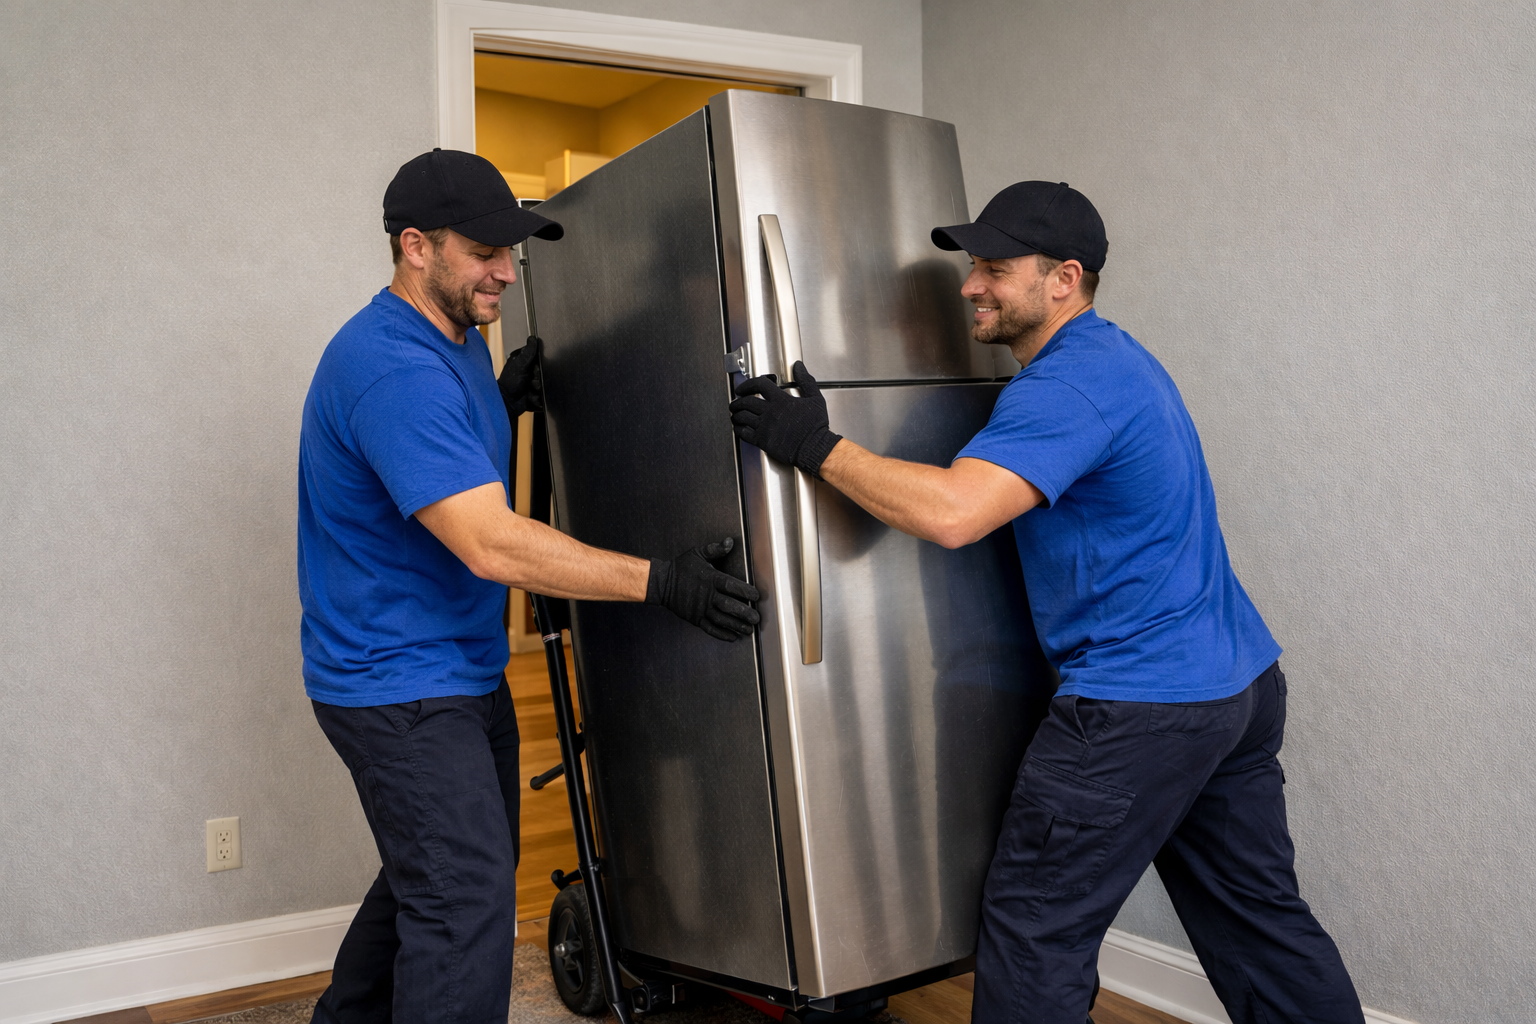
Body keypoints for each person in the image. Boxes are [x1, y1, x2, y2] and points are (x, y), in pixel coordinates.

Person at [726, 181, 1363, 1024]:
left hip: (1138, 705)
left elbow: (955, 514)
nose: (969, 285)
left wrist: (813, 444)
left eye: (993, 266)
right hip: (1233, 685)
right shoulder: (1117, 358)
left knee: (1036, 931)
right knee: (1260, 927)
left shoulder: (1064, 387)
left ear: (1064, 278)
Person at [298, 148, 760, 1024]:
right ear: (414, 247)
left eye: (510, 251)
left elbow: (432, 467)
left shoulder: (457, 340)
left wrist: (501, 403)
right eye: (484, 253)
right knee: (463, 906)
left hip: (456, 669)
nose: (506, 272)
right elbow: (488, 543)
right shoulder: (388, 366)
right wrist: (662, 583)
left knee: (431, 878)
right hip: (396, 684)